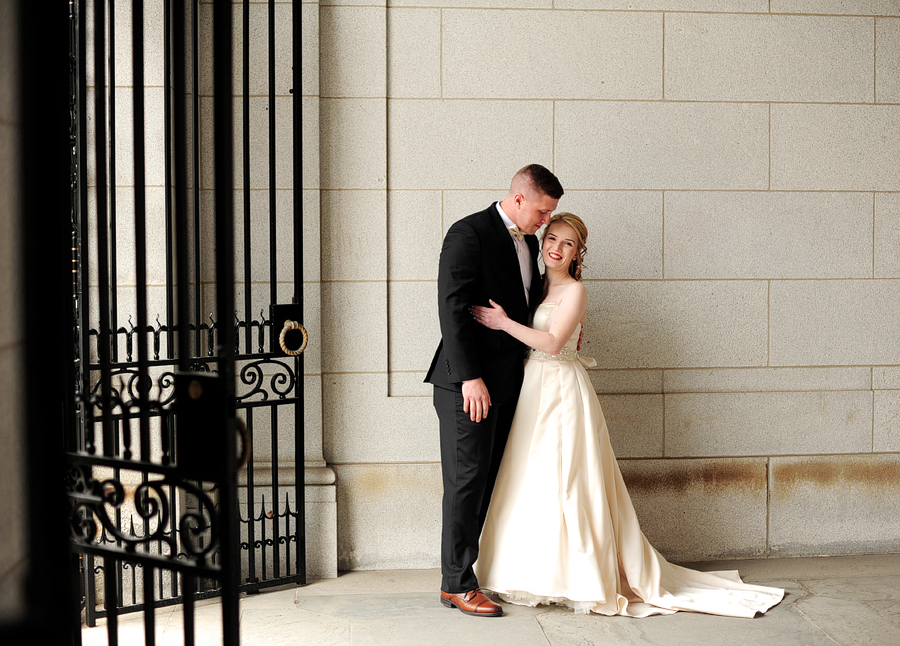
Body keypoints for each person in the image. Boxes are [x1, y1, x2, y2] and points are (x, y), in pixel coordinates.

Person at [470, 213, 784, 618]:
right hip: (532, 389)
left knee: (568, 479)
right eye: (553, 238)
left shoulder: (575, 291)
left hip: (561, 391)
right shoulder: (536, 285)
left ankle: (577, 575)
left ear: (578, 252)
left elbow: (551, 343)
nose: (556, 248)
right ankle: (528, 571)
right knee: (528, 477)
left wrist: (503, 322)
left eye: (568, 243)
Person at [426, 164, 565, 617]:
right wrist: (470, 377)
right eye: (542, 212)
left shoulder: (527, 243)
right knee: (466, 483)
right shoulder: (469, 233)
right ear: (520, 198)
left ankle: (476, 574)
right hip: (468, 385)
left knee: (488, 485)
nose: (546, 223)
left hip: (509, 384)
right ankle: (456, 584)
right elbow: (453, 307)